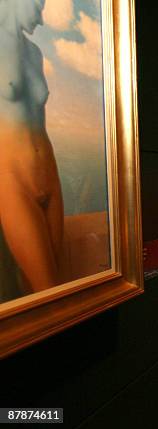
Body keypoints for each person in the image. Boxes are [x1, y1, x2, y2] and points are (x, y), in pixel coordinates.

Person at [0, 0, 64, 294]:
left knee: (53, 285)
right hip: (13, 182)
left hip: (50, 175)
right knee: (49, 294)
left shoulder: (35, 53)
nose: (41, 16)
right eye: (38, 5)